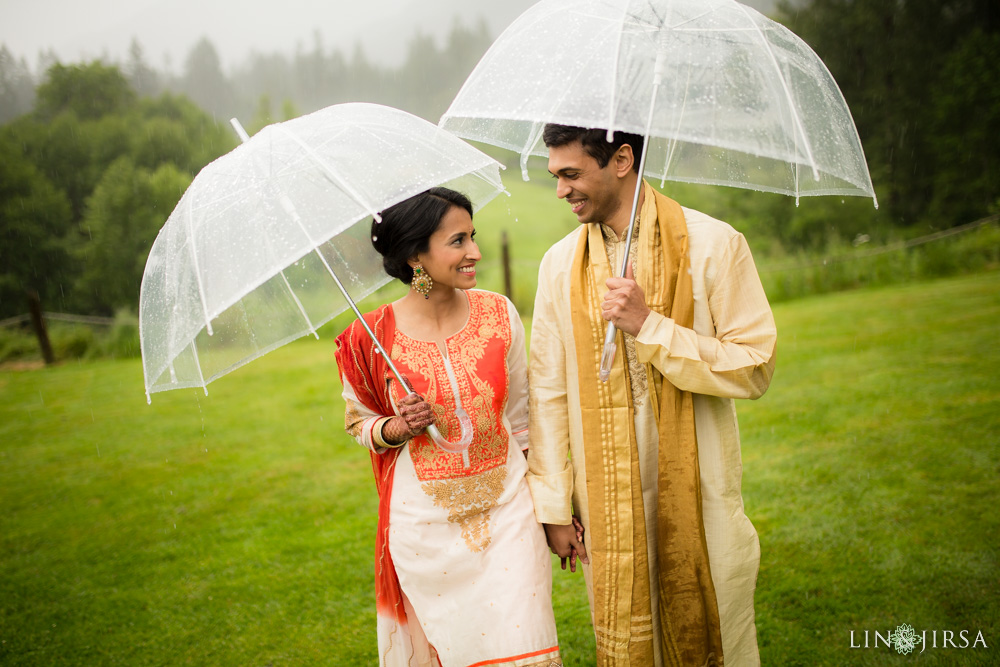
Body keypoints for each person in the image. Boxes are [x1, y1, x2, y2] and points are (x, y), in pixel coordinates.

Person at [525, 125, 777, 666]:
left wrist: (648, 325)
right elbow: (546, 392)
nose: (561, 190)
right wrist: (551, 505)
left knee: (716, 622)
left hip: (699, 479)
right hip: (603, 493)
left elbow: (754, 367)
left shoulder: (714, 244)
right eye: (556, 177)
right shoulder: (558, 265)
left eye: (571, 174)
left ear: (621, 159)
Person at [334, 187, 562, 667]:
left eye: (473, 237)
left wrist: (553, 512)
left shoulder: (499, 313)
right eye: (458, 241)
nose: (474, 252)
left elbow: (523, 423)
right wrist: (397, 428)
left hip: (509, 517)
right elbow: (358, 422)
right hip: (424, 531)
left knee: (526, 651)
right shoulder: (368, 338)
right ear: (416, 255)